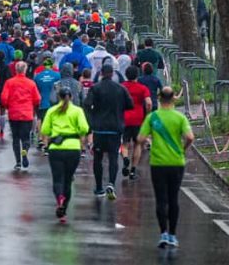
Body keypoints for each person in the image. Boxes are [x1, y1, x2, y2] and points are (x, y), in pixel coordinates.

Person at [139, 86, 195, 249]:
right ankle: (173, 235)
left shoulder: (153, 117)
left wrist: (151, 140)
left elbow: (140, 138)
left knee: (161, 199)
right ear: (173, 99)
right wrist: (182, 149)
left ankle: (163, 233)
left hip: (158, 163)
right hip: (176, 162)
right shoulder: (179, 118)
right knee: (173, 198)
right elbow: (190, 137)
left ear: (159, 98)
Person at [83, 62, 133, 200]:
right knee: (113, 157)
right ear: (112, 74)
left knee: (97, 158)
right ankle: (111, 183)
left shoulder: (95, 88)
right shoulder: (120, 89)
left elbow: (87, 104)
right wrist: (119, 109)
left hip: (99, 129)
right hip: (115, 128)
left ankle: (99, 187)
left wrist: (92, 119)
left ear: (101, 74)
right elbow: (130, 104)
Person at [41, 85, 90, 222]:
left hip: (56, 149)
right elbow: (84, 128)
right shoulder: (77, 111)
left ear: (58, 97)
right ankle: (64, 211)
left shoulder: (52, 111)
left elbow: (45, 130)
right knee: (68, 180)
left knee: (57, 179)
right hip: (73, 148)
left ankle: (59, 200)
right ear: (72, 97)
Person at [0, 61, 41, 171]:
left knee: (16, 138)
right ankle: (25, 151)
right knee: (25, 138)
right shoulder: (31, 83)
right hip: (27, 114)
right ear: (25, 70)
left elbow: (4, 98)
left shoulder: (9, 82)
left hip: (14, 113)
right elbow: (37, 99)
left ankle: (18, 161)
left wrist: (8, 106)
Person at [121, 65, 151, 180]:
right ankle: (133, 170)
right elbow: (148, 103)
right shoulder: (143, 88)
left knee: (125, 143)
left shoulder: (122, 87)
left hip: (124, 118)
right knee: (138, 144)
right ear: (137, 75)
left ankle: (125, 158)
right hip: (138, 118)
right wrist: (147, 114)